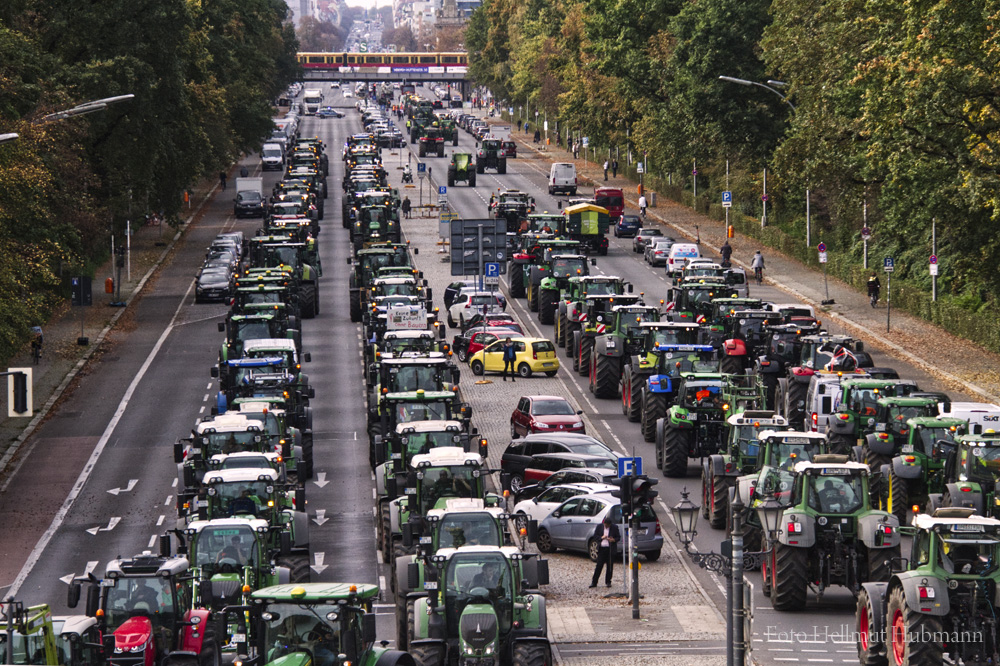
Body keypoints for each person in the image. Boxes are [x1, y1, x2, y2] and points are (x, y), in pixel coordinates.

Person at [590, 516, 621, 588]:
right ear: (604, 523)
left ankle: (608, 581)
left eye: (608, 526)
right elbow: (595, 536)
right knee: (599, 566)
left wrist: (613, 540)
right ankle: (594, 582)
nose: (607, 527)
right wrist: (601, 538)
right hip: (602, 549)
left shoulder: (614, 527)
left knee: (609, 566)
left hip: (610, 549)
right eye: (606, 525)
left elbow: (618, 537)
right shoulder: (599, 527)